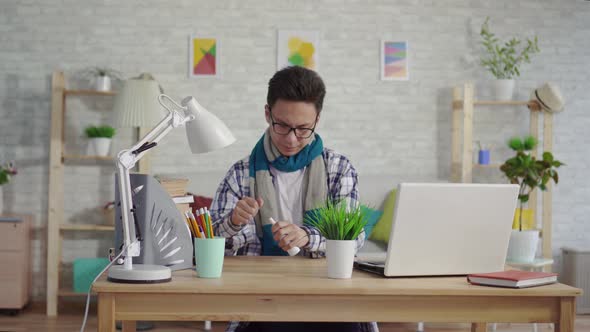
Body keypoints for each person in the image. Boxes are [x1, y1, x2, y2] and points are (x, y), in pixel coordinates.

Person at [210, 66, 377, 332]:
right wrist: (233, 222)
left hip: (332, 298)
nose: (291, 139)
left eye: (302, 129)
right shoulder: (241, 173)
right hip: (262, 299)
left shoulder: (339, 168)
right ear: (267, 114)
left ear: (317, 120)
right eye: (282, 125)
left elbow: (353, 240)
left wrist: (308, 237)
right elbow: (213, 247)